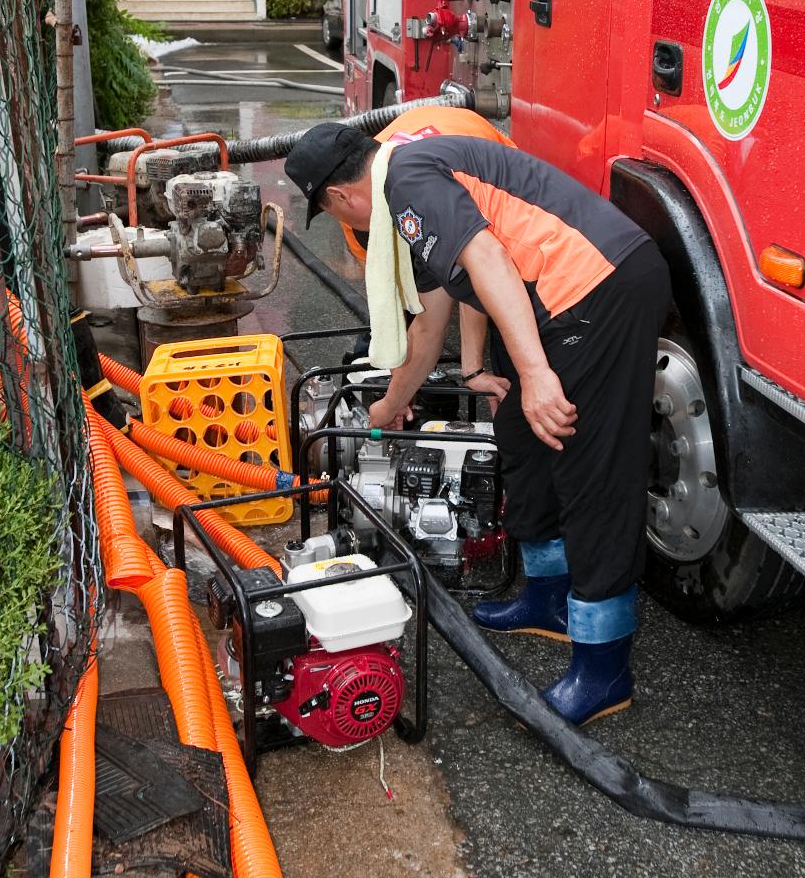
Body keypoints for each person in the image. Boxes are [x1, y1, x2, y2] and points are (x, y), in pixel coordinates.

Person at [284, 124, 671, 726]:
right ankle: (547, 599)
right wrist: (461, 376)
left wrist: (537, 372)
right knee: (519, 431)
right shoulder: (406, 185)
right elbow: (440, 310)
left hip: (600, 288)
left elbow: (487, 257)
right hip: (556, 301)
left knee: (590, 469)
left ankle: (604, 666)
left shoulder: (408, 180)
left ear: (338, 198)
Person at [337, 105, 516, 414]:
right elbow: (394, 302)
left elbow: (474, 276)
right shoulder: (357, 217)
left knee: (511, 353)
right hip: (448, 133)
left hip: (501, 190)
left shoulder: (423, 189)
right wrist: (400, 385)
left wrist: (473, 368)